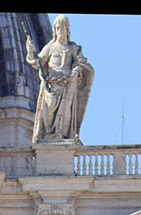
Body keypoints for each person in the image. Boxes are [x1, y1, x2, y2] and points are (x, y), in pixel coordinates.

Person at [25, 15, 93, 145]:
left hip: (67, 85)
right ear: (54, 31)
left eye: (62, 28)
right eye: (57, 28)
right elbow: (37, 62)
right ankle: (50, 134)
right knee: (49, 111)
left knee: (66, 113)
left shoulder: (74, 48)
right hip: (52, 84)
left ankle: (60, 134)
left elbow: (80, 63)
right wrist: (30, 51)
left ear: (67, 30)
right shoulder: (50, 47)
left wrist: (74, 73)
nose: (59, 31)